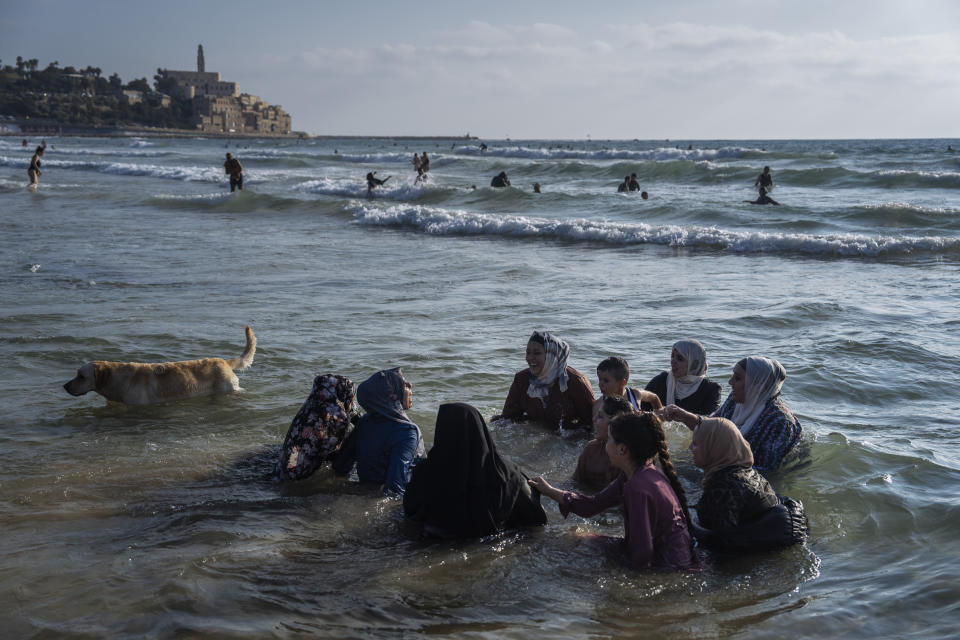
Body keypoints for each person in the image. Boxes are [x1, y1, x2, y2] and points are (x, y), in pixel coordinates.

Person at [530, 412, 699, 571]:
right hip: (670, 556)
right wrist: (549, 491)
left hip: (670, 567)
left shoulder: (637, 486)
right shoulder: (637, 473)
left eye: (609, 439)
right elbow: (592, 505)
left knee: (580, 545)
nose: (605, 445)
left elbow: (642, 553)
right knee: (580, 538)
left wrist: (617, 580)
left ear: (622, 450)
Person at [402, 403, 547, 539]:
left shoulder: (423, 473)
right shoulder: (507, 475)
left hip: (437, 543)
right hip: (489, 545)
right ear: (480, 429)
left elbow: (409, 511)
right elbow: (538, 520)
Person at [661, 356, 802, 473]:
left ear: (757, 385)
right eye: (733, 375)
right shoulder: (736, 401)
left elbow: (767, 471)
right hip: (724, 468)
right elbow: (712, 427)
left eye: (738, 378)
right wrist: (684, 416)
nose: (730, 382)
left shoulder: (780, 422)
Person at [688, 417, 808, 551]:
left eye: (695, 444)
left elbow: (719, 543)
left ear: (714, 448)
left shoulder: (723, 486)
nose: (690, 447)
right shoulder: (747, 472)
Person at [332, 368, 425, 496]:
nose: (410, 386)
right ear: (392, 396)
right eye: (403, 384)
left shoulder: (364, 422)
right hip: (385, 496)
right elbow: (395, 488)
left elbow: (340, 466)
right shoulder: (407, 432)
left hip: (365, 488)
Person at [494, 331, 595, 430]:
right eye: (528, 352)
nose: (529, 358)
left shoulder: (576, 381)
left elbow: (591, 424)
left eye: (536, 353)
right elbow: (507, 418)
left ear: (553, 356)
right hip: (535, 437)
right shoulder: (521, 379)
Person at [275, 374, 359, 481]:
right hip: (299, 475)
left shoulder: (310, 407)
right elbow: (335, 452)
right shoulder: (335, 418)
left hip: (283, 468)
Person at [642, 340, 722, 415]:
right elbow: (640, 409)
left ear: (693, 364)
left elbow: (709, 423)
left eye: (679, 358)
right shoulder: (661, 380)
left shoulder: (711, 389)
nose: (673, 361)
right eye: (672, 356)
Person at [573, 395, 633, 488]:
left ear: (615, 422)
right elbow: (574, 483)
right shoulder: (591, 449)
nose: (593, 419)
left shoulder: (630, 458)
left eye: (600, 416)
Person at [596, 356, 663, 412]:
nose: (600, 384)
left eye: (606, 381)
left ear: (622, 383)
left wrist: (660, 414)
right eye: (600, 379)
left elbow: (654, 398)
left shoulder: (635, 395)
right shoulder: (599, 404)